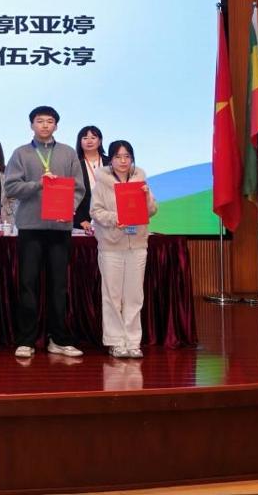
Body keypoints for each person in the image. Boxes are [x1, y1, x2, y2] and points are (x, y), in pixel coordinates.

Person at [5, 106, 86, 359]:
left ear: (56, 126)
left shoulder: (68, 153)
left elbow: (79, 189)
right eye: (40, 121)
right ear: (32, 125)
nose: (44, 125)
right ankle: (26, 340)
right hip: (30, 227)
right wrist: (38, 184)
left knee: (58, 286)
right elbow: (11, 187)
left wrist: (69, 208)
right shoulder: (21, 153)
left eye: (50, 121)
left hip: (60, 227)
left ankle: (58, 339)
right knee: (28, 284)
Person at [90, 140, 158, 359]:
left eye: (127, 156)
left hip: (137, 244)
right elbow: (95, 212)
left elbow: (152, 210)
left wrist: (146, 196)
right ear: (111, 159)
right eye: (118, 157)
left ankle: (133, 341)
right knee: (112, 295)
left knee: (134, 295)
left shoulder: (141, 181)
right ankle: (116, 341)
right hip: (111, 246)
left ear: (132, 159)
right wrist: (115, 218)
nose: (123, 161)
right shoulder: (101, 183)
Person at [74, 126, 108, 235]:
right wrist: (80, 220)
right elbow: (70, 194)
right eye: (85, 138)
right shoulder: (74, 164)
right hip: (84, 223)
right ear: (80, 142)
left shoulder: (110, 163)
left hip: (110, 220)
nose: (89, 141)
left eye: (93, 138)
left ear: (100, 141)